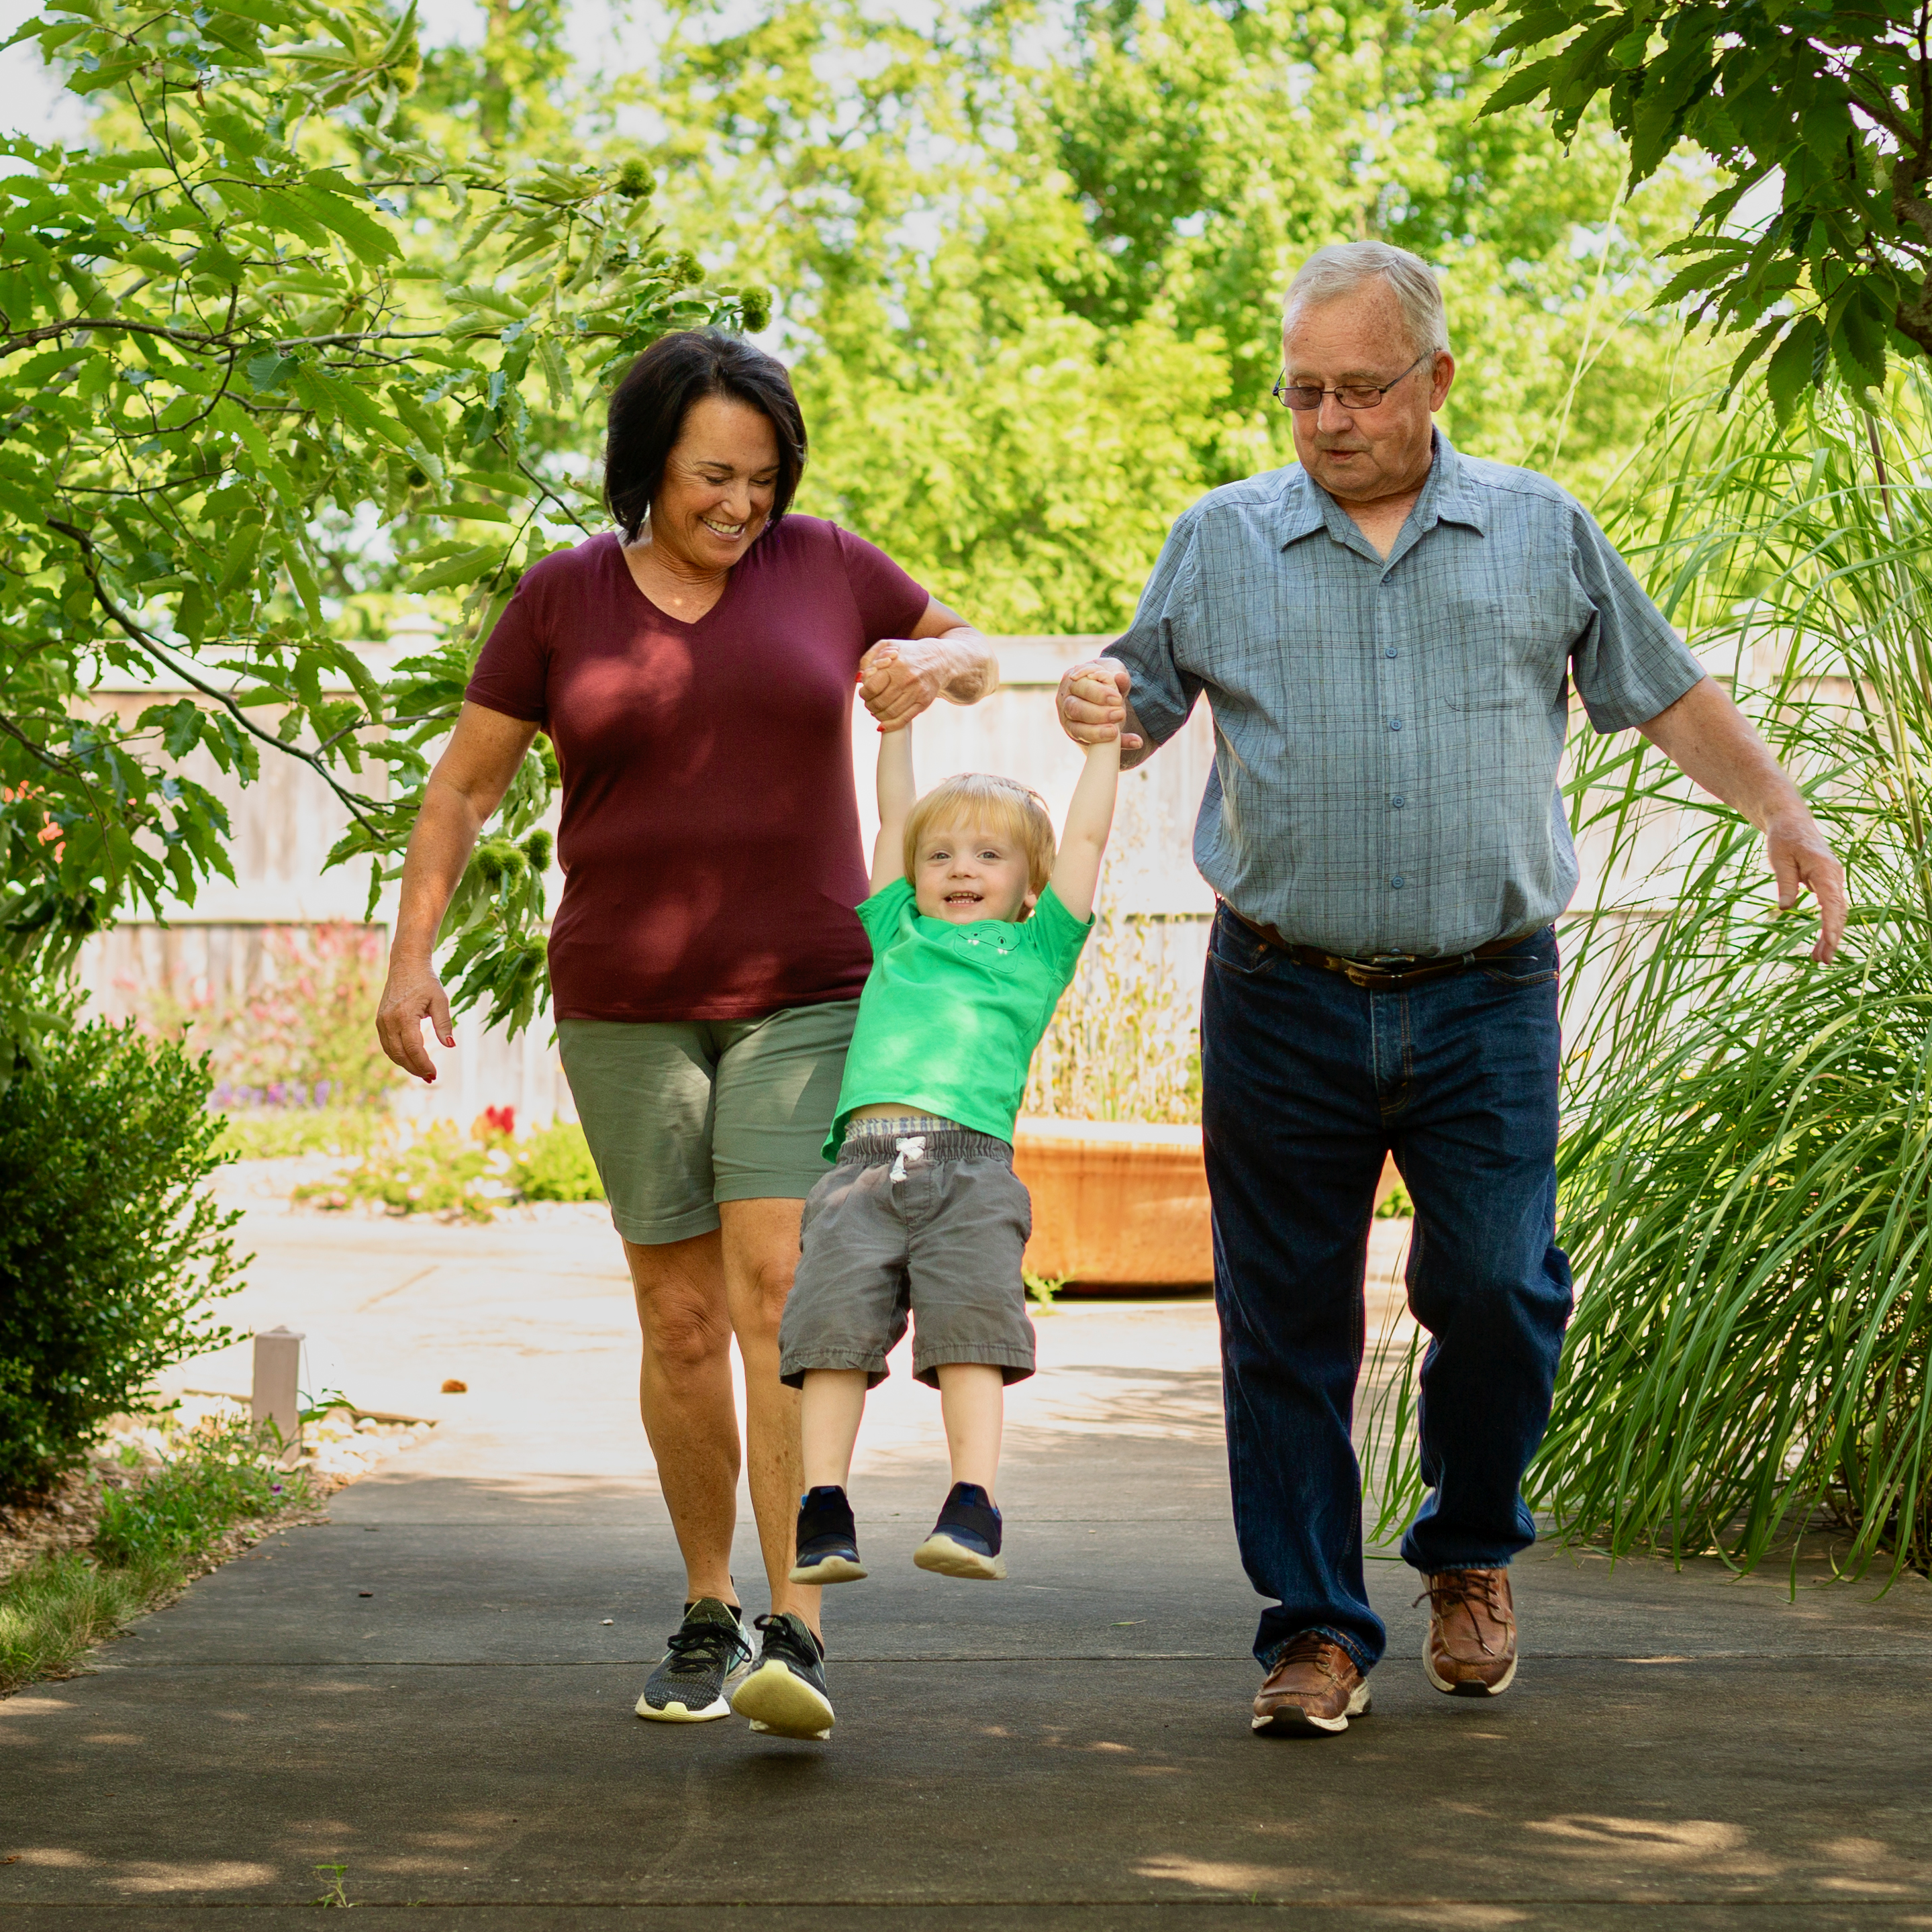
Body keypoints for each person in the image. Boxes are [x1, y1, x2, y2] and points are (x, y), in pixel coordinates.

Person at [1056, 241, 1847, 1737]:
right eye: (1302, 392)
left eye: (1360, 388)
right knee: (1282, 1320)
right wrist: (1085, 697)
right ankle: (1308, 1626)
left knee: (1496, 1285)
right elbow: (1133, 704)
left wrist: (1779, 810)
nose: (1328, 419)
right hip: (1278, 991)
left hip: (1483, 990)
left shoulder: (1537, 529)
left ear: (1435, 379)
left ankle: (1467, 1543)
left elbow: (1663, 685)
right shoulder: (1218, 539)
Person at [373, 328, 999, 1735]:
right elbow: (459, 794)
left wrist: (924, 668)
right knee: (674, 1316)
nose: (742, 505)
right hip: (624, 1001)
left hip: (807, 984)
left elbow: (969, 650)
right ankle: (707, 1605)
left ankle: (797, 1624)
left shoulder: (826, 565)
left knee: (775, 1283)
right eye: (714, 476)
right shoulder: (559, 600)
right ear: (646, 464)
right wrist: (409, 957)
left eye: (764, 480)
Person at [718, 692, 1118, 1740]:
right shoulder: (894, 927)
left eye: (988, 855)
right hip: (857, 1167)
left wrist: (1101, 756)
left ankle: (971, 1504)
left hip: (971, 1169)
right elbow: (889, 815)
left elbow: (1081, 836)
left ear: (1026, 887)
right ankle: (823, 1507)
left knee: (973, 1331)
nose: (958, 866)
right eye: (942, 853)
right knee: (826, 1334)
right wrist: (892, 732)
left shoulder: (1037, 952)